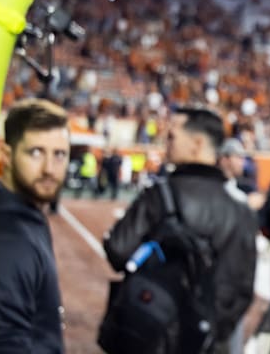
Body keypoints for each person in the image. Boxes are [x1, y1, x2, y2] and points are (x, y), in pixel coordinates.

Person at [103, 106, 256, 353]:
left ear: (197, 144)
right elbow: (240, 291)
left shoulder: (158, 194)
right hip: (203, 343)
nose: (166, 142)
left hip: (147, 334)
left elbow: (117, 250)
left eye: (173, 136)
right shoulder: (241, 211)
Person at [0, 98, 71, 353]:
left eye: (59, 154)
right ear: (6, 155)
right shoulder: (10, 239)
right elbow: (4, 344)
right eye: (36, 152)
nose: (49, 169)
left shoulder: (22, 212)